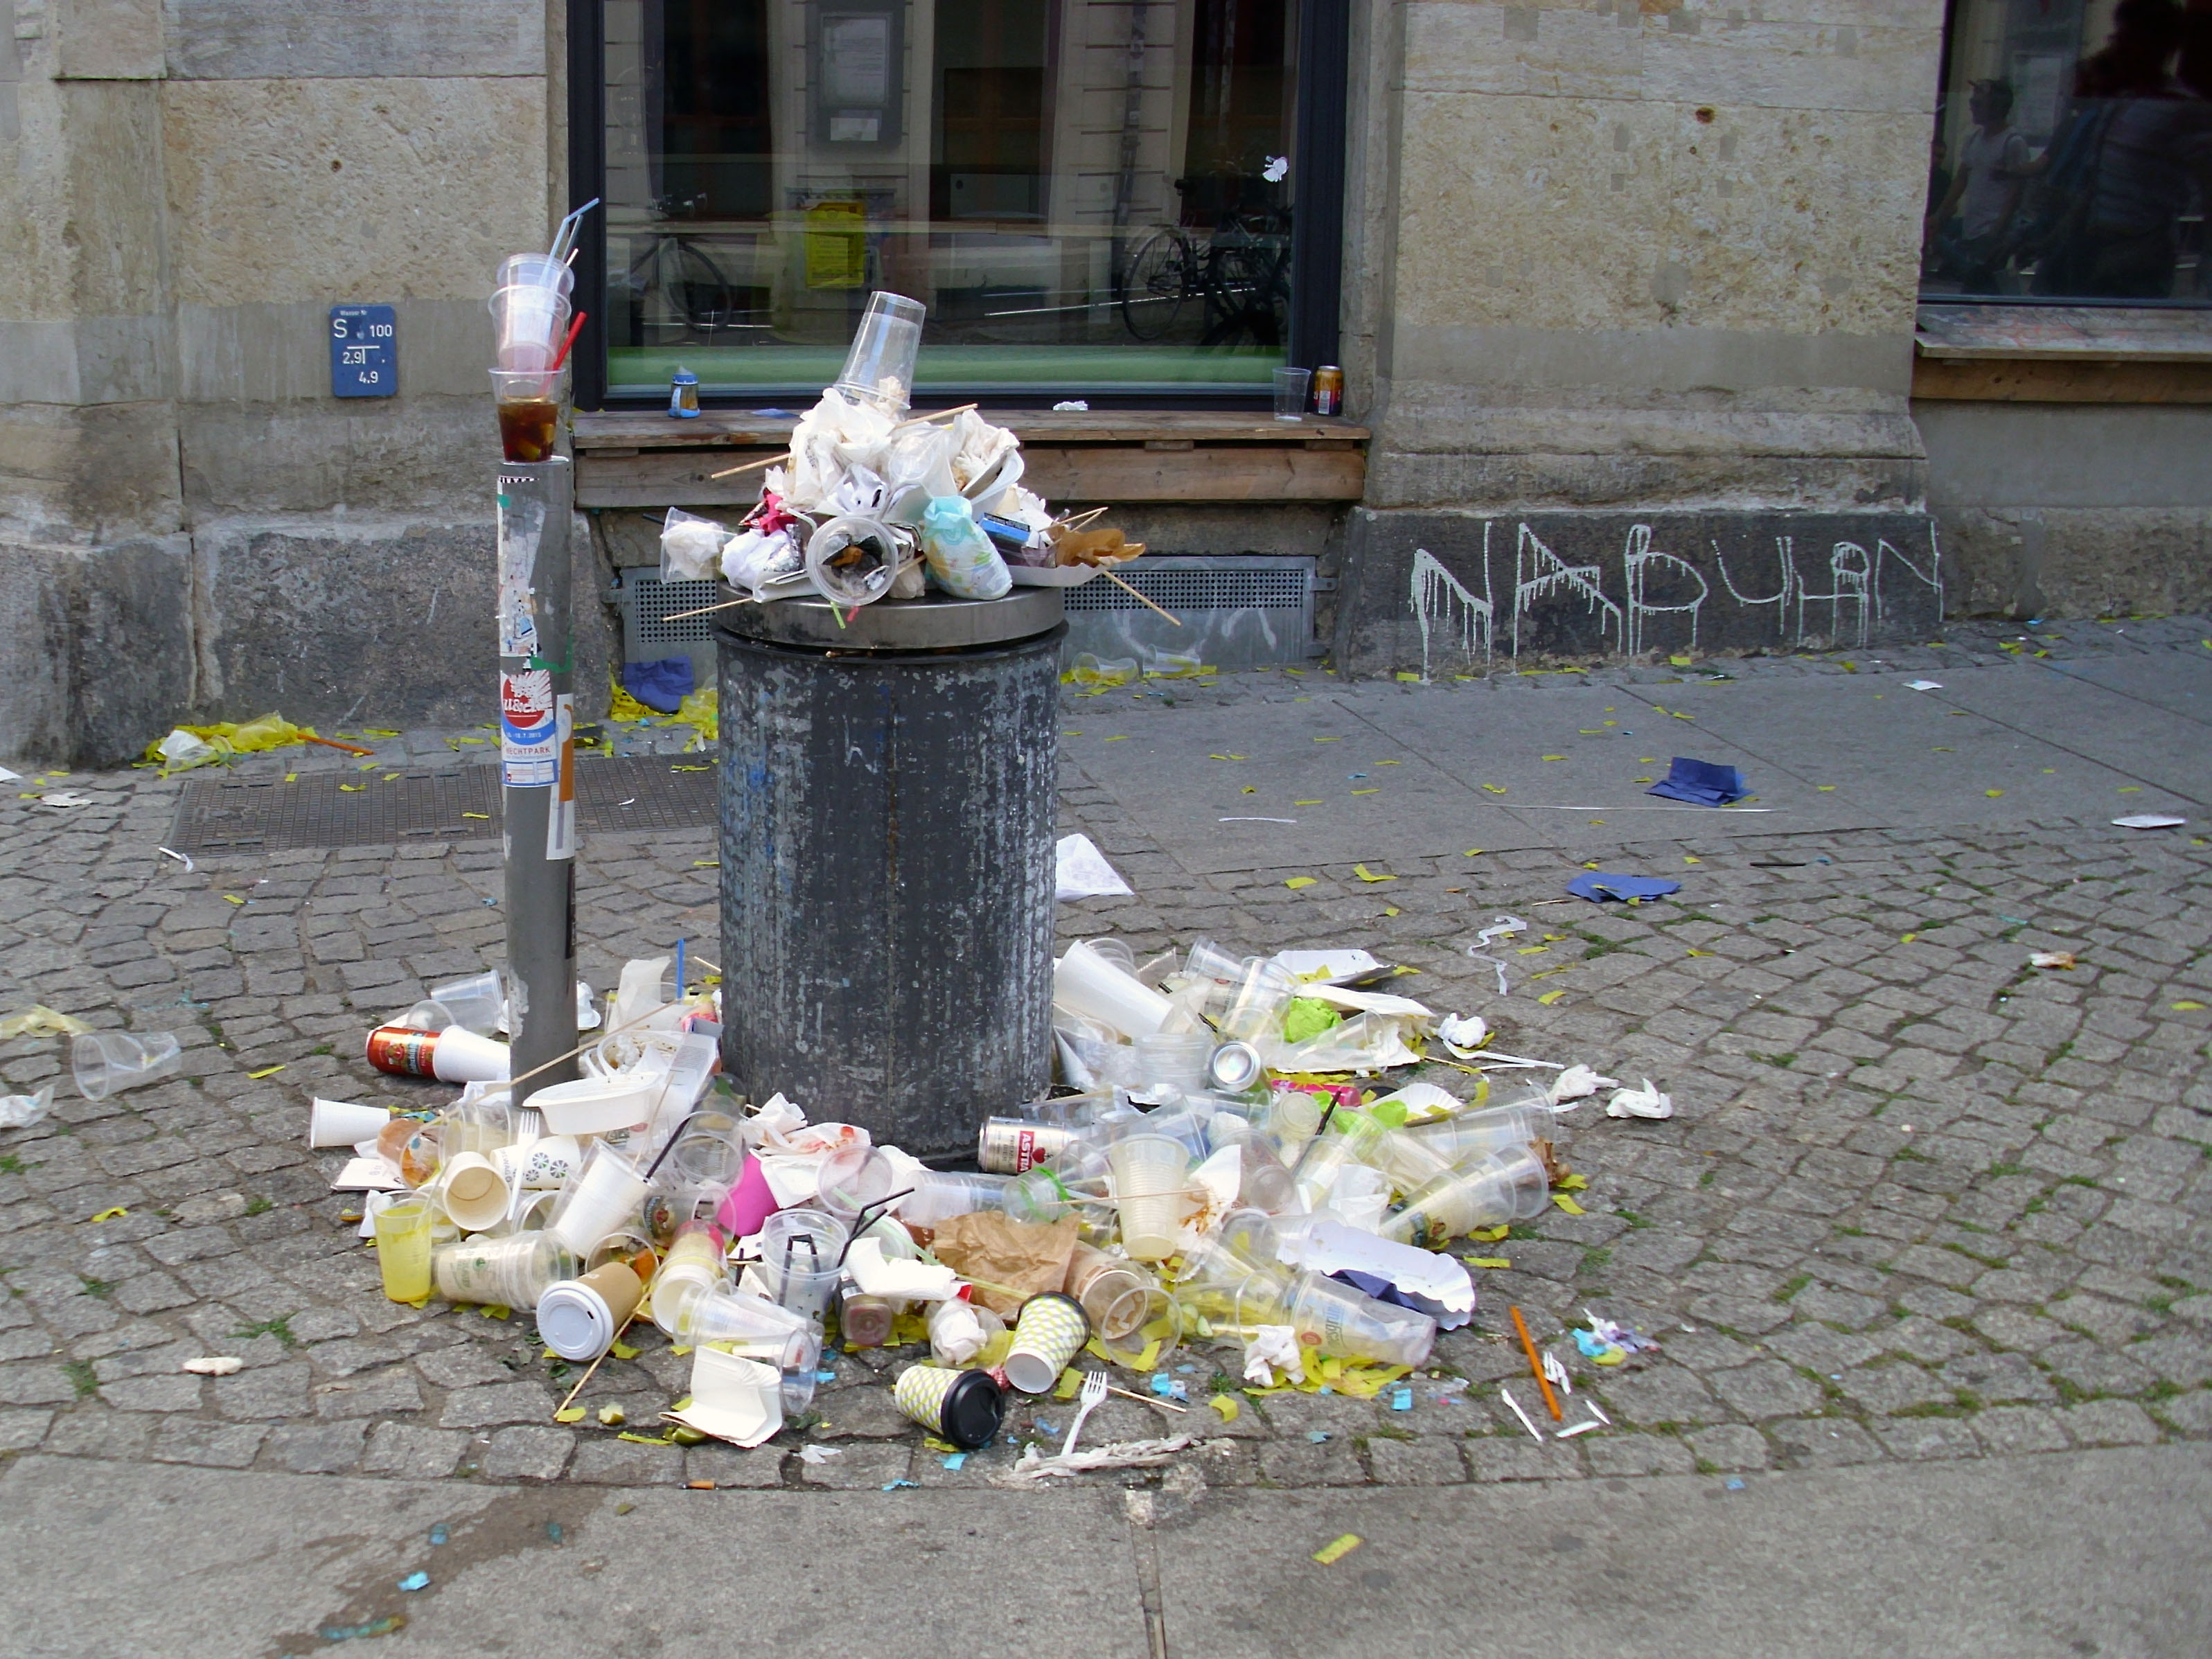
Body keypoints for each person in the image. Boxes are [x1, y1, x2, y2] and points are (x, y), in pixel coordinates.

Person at [1926, 80, 2033, 292]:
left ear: (1995, 107)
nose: (1972, 107)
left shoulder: (2012, 142)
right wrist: (1939, 215)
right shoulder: (1975, 137)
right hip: (1972, 226)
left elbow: (2016, 191)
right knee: (1975, 284)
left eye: (1978, 103)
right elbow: (1961, 179)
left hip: (1993, 227)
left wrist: (1998, 229)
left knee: (1980, 284)